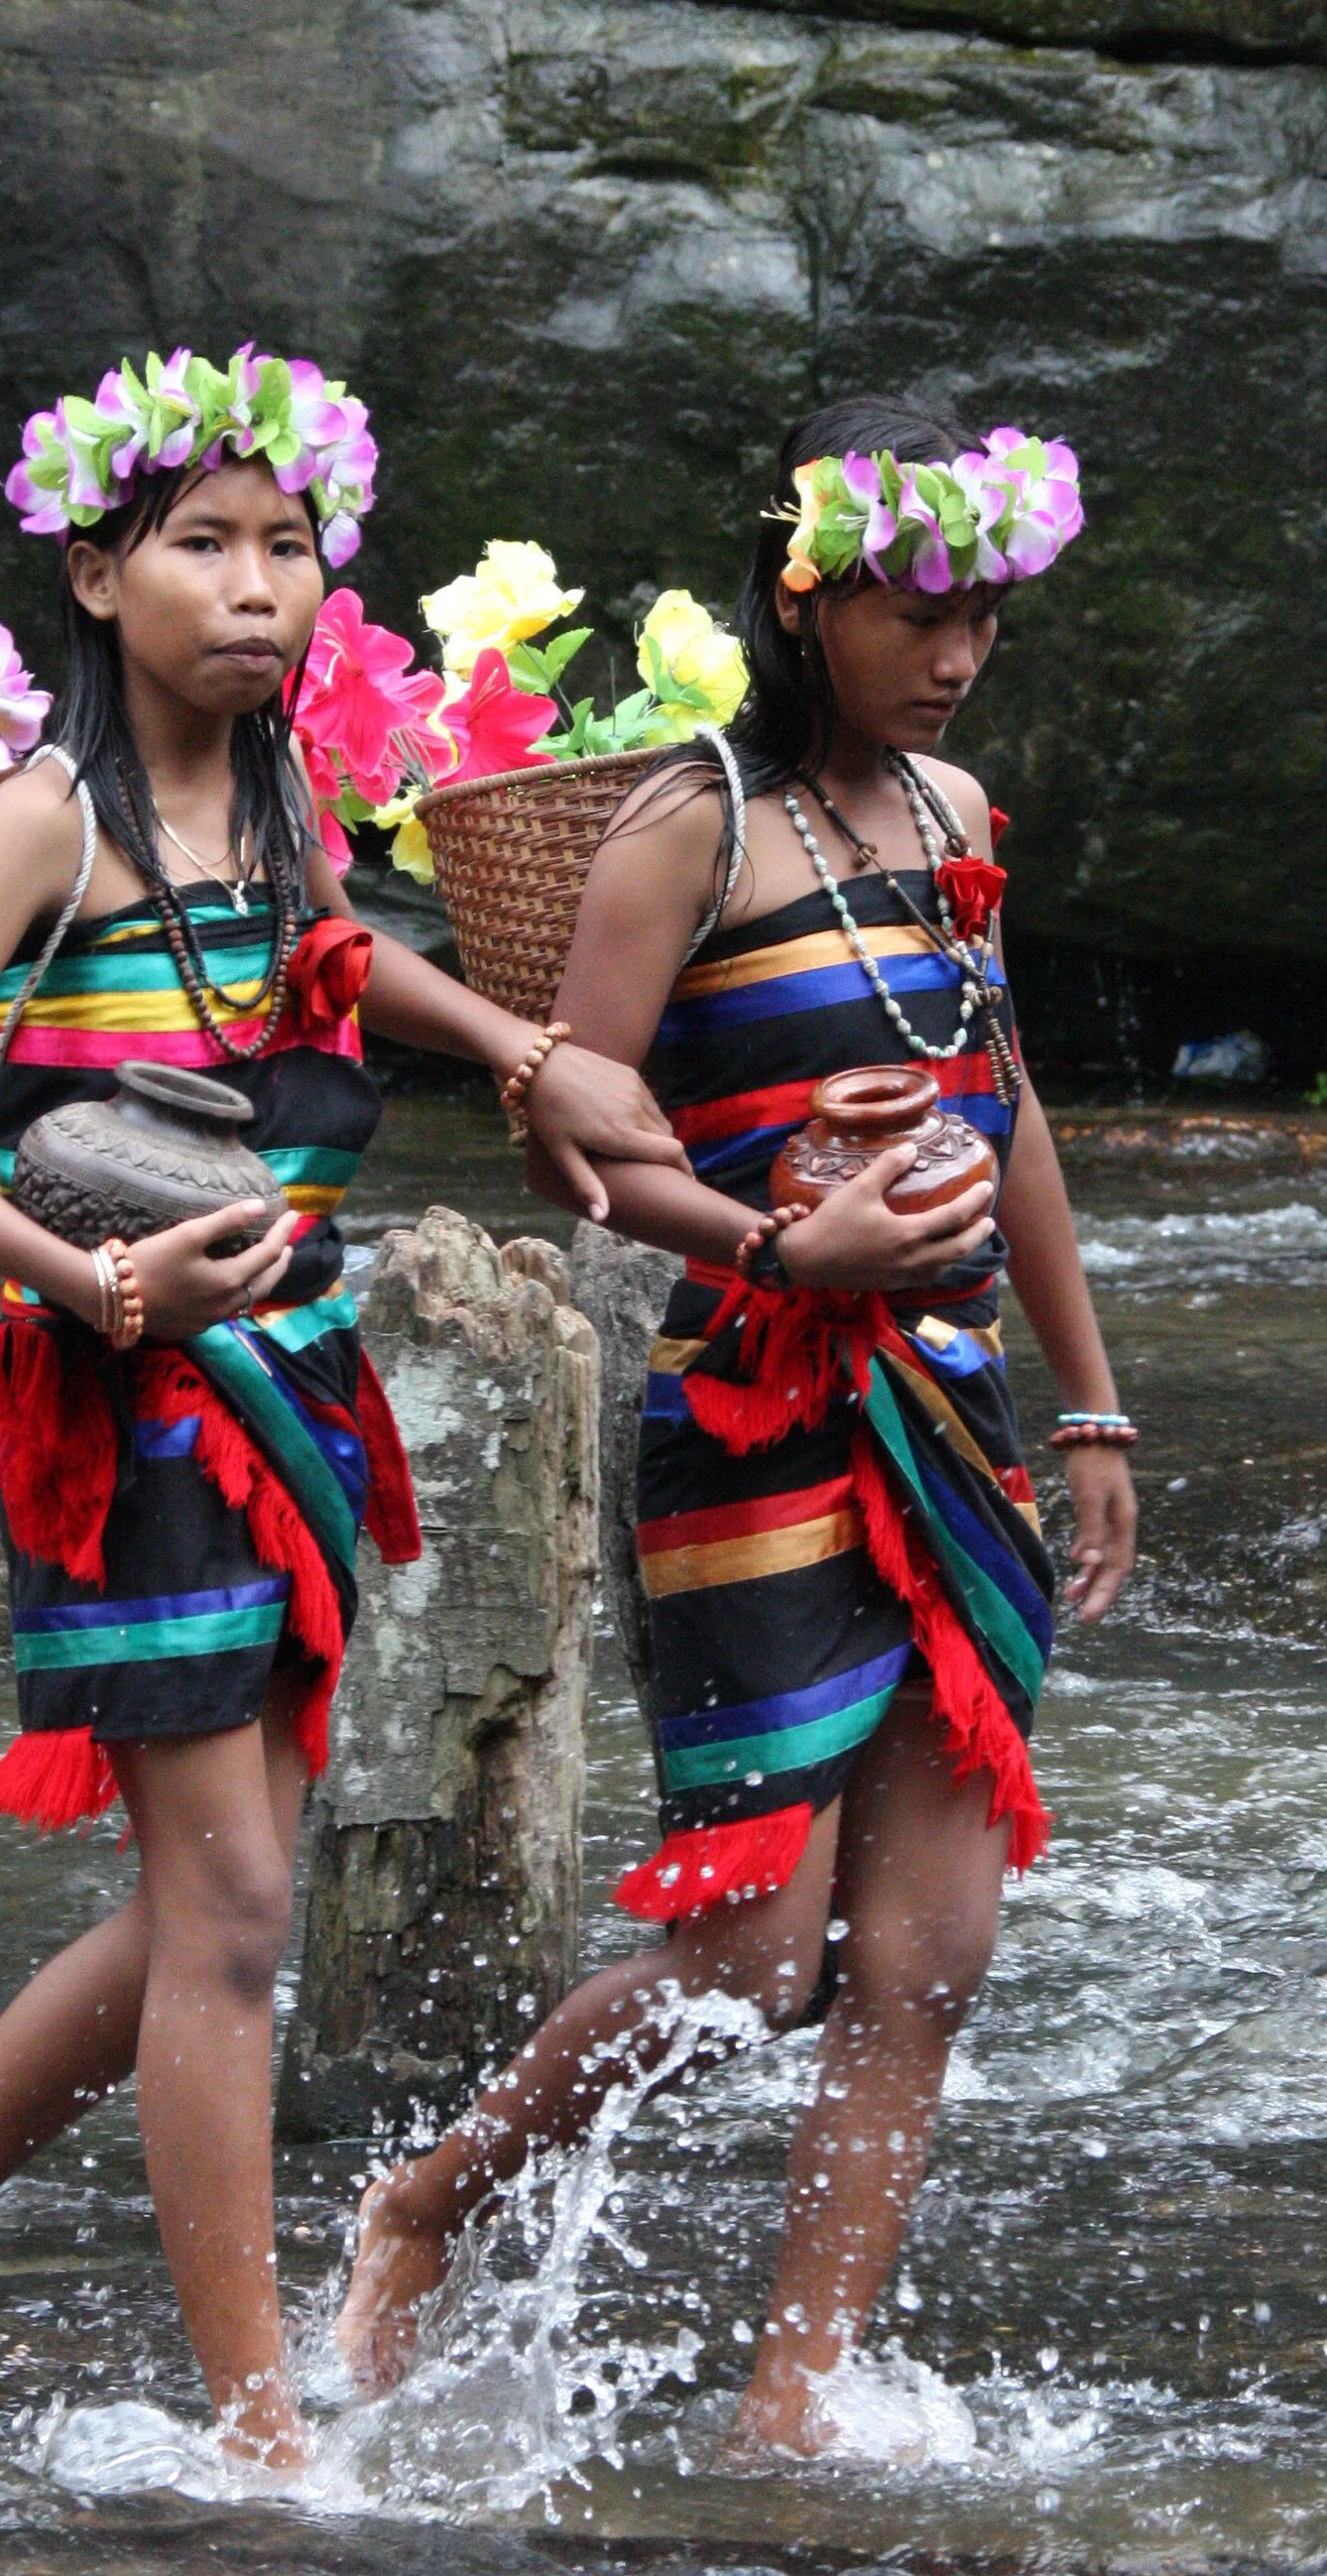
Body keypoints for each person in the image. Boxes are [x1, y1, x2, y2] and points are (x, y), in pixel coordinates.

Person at [0, 346, 686, 2467]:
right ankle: (264, 2430)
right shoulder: (46, 821)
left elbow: (342, 949)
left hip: (285, 1400)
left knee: (218, 1898)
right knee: (239, 1915)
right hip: (132, 1408)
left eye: (288, 545)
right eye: (202, 543)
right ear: (96, 574)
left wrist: (527, 1057)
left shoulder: (274, 807)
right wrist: (94, 1273)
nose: (255, 586)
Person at [338, 395, 1139, 2455]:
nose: (954, 653)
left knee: (931, 1948)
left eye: (980, 612)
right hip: (753, 1410)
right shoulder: (692, 820)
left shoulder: (951, 807)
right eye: (912, 608)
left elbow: (1005, 1096)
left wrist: (1098, 1402)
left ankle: (796, 2401)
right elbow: (570, 1144)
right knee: (753, 1958)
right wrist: (804, 1254)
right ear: (809, 596)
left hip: (948, 1414)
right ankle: (430, 2197)